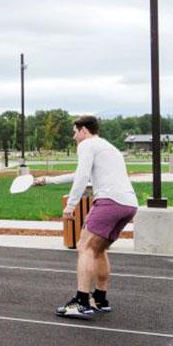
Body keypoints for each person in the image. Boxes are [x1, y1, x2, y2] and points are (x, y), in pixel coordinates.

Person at [33, 115, 138, 319]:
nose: (74, 137)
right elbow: (80, 174)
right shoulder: (106, 146)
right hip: (128, 203)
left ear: (83, 130)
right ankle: (99, 298)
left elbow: (82, 177)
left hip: (109, 201)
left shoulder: (87, 145)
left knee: (84, 247)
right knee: (98, 249)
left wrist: (70, 206)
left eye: (74, 132)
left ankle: (81, 302)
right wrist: (47, 180)